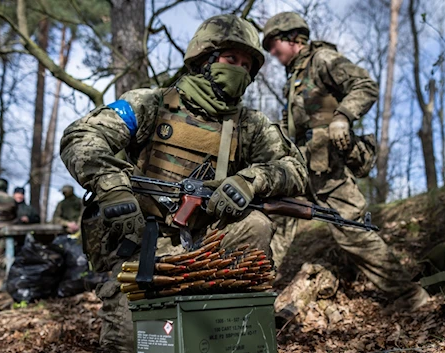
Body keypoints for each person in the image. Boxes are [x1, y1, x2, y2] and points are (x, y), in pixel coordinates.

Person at [60, 14, 307, 351]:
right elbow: (82, 135)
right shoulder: (151, 103)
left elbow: (294, 167)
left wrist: (252, 180)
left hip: (207, 245)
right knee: (137, 342)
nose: (240, 70)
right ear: (205, 58)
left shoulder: (249, 125)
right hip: (143, 240)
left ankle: (232, 316)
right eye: (231, 59)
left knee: (256, 224)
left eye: (247, 65)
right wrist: (112, 186)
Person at [263, 12, 428, 310]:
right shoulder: (297, 75)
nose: (272, 53)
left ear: (292, 38)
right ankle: (256, 291)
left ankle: (409, 294)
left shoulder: (322, 59)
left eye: (274, 45)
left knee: (352, 232)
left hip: (328, 167)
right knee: (271, 219)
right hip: (302, 166)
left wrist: (343, 117)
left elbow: (365, 85)